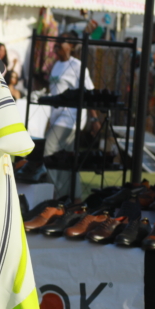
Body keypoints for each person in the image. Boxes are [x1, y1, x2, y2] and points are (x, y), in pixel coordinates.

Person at [45, 32, 93, 201]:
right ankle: (74, 197)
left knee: (49, 150)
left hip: (70, 117)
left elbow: (89, 92)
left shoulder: (78, 66)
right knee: (66, 159)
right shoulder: (56, 65)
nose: (57, 46)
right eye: (56, 43)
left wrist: (94, 119)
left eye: (61, 42)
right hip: (56, 116)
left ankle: (53, 195)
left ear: (71, 46)